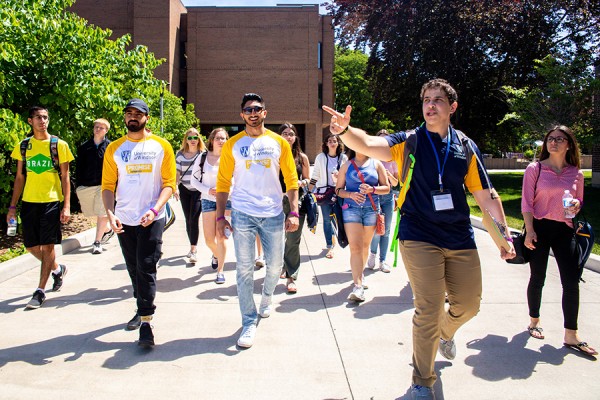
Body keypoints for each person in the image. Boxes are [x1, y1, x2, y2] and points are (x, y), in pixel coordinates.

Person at [323, 78, 516, 400]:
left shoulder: (465, 146)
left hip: (458, 234)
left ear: (452, 107)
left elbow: (486, 196)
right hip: (418, 232)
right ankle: (421, 382)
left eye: (438, 100)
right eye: (426, 99)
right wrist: (345, 131)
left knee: (469, 304)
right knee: (427, 307)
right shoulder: (410, 140)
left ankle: (446, 332)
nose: (430, 105)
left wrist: (502, 236)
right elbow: (370, 144)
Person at [216, 93, 299, 348]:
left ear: (265, 112)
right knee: (244, 269)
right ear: (242, 115)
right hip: (242, 212)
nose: (253, 113)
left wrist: (293, 211)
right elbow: (222, 183)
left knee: (275, 267)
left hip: (273, 213)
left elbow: (292, 180)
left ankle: (266, 297)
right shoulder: (232, 145)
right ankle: (248, 322)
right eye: (248, 110)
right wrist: (220, 215)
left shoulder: (278, 143)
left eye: (257, 109)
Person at [102, 98, 176, 348]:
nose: (132, 117)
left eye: (138, 113)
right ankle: (140, 304)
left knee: (146, 266)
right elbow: (108, 186)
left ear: (147, 117)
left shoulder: (161, 146)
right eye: (128, 113)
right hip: (125, 219)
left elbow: (169, 184)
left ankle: (146, 321)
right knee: (134, 267)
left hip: (152, 217)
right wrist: (110, 213)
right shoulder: (114, 148)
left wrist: (155, 209)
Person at [522, 125, 597, 356]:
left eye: (559, 139)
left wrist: (576, 205)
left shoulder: (576, 173)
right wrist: (530, 230)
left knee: (571, 281)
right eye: (550, 139)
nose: (553, 142)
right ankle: (534, 321)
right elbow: (526, 203)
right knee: (538, 277)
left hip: (565, 230)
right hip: (540, 228)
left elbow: (579, 202)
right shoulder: (535, 169)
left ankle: (571, 334)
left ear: (569, 144)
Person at [7, 106, 74, 309]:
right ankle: (57, 269)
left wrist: (67, 206)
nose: (42, 121)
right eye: (38, 117)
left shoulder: (59, 145)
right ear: (30, 121)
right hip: (29, 202)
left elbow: (65, 177)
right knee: (31, 246)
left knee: (48, 245)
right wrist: (12, 207)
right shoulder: (24, 146)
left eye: (45, 117)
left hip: (51, 201)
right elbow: (19, 177)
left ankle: (40, 291)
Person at [335, 147, 389, 302]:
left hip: (371, 209)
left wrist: (372, 189)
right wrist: (351, 194)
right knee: (355, 247)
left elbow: (387, 188)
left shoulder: (376, 164)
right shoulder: (347, 165)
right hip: (351, 209)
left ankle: (360, 274)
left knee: (365, 247)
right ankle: (357, 286)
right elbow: (338, 190)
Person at [190, 127, 230, 283]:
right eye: (218, 138)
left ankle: (220, 271)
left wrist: (227, 190)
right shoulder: (202, 157)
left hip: (227, 201)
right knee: (209, 240)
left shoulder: (230, 157)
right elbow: (194, 180)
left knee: (222, 237)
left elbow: (237, 179)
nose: (221, 141)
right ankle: (217, 254)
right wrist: (208, 190)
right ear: (212, 140)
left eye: (224, 138)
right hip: (207, 200)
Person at [278, 123, 310, 294]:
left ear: (295, 137)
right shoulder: (274, 156)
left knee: (292, 239)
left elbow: (309, 181)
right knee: (277, 238)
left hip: (296, 201)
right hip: (276, 201)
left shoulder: (302, 157)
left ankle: (291, 276)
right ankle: (284, 265)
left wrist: (301, 182)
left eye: (291, 133)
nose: (288, 136)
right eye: (284, 133)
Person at [76, 118, 113, 254]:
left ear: (106, 130)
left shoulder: (110, 147)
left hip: (104, 185)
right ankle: (108, 229)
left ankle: (97, 242)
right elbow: (79, 167)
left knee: (102, 213)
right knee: (91, 212)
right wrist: (78, 185)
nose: (97, 129)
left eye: (101, 127)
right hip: (86, 185)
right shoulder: (84, 147)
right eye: (96, 127)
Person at [308, 134, 347, 259]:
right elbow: (315, 175)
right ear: (326, 144)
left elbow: (347, 175)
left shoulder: (343, 158)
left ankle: (339, 238)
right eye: (329, 141)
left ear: (338, 143)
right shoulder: (321, 157)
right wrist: (308, 191)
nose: (332, 143)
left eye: (334, 141)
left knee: (339, 218)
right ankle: (330, 245)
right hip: (324, 193)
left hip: (339, 193)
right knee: (326, 219)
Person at [367, 129, 399, 273]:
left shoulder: (393, 160)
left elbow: (396, 182)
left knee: (385, 231)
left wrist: (387, 175)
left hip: (388, 196)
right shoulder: (372, 160)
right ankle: (373, 253)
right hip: (375, 196)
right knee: (376, 230)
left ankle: (383, 260)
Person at [174, 128, 206, 263]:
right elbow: (177, 172)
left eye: (195, 138)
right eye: (190, 138)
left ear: (199, 139)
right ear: (186, 140)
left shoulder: (203, 154)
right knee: (188, 219)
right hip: (184, 189)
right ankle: (191, 246)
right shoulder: (180, 154)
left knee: (194, 218)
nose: (193, 140)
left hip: (198, 189)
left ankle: (194, 250)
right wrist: (175, 187)